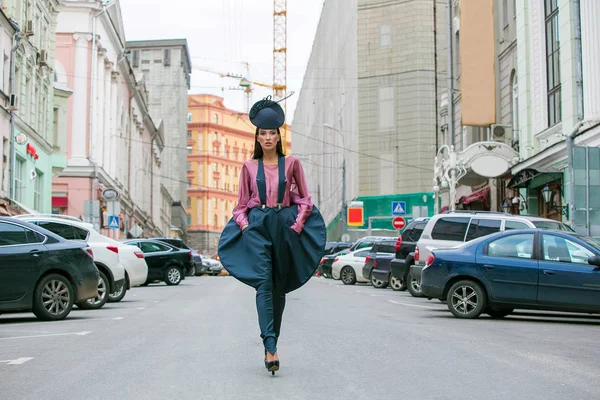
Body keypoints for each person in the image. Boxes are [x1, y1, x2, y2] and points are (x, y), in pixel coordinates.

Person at [218, 96, 326, 375]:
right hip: (257, 227)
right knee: (264, 284)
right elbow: (240, 205)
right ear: (257, 136)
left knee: (278, 288)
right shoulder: (248, 167)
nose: (267, 137)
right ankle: (270, 347)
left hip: (284, 227)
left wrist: (298, 225)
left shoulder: (291, 164)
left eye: (272, 133)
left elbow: (305, 199)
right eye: (263, 133)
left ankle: (271, 340)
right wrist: (244, 226)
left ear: (279, 136)